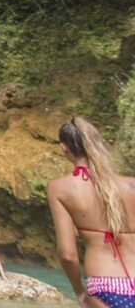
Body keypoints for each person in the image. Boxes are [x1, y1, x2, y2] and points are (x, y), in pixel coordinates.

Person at [47, 116, 135, 308]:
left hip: (106, 285)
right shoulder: (131, 185)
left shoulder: (60, 188)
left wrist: (80, 292)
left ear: (64, 147)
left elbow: (67, 254)